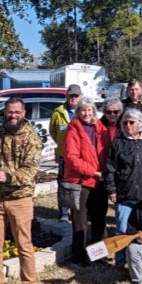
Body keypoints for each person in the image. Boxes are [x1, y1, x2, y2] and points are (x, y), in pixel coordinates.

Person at [0, 97, 41, 284]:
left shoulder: (31, 138)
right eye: (9, 112)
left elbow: (30, 169)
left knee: (24, 244)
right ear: (4, 112)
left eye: (16, 112)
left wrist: (8, 176)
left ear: (23, 113)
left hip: (19, 198)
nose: (12, 115)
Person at [63, 97, 113, 267]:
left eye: (89, 110)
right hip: (81, 182)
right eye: (83, 110)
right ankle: (79, 256)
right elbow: (71, 158)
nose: (86, 113)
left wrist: (104, 172)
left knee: (99, 220)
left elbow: (106, 153)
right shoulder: (73, 130)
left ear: (94, 111)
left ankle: (98, 255)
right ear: (78, 112)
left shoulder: (101, 128)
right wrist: (93, 172)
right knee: (80, 222)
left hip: (99, 181)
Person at [105, 107, 142, 269]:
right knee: (122, 230)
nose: (127, 125)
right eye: (124, 122)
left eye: (131, 122)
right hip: (124, 194)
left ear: (140, 123)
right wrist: (111, 190)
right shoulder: (117, 144)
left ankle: (141, 262)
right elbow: (110, 169)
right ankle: (120, 262)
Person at [50, 85, 82, 222]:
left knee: (80, 184)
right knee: (63, 184)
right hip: (64, 155)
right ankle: (64, 212)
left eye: (76, 96)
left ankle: (79, 210)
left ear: (80, 96)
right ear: (67, 96)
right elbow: (53, 132)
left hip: (81, 156)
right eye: (71, 96)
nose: (73, 98)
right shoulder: (58, 112)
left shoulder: (85, 111)